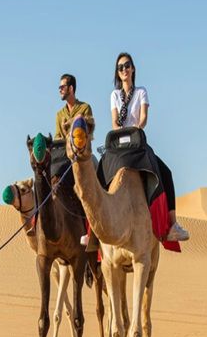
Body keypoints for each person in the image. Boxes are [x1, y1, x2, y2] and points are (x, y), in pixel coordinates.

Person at [111, 52, 190, 242]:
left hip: (138, 142)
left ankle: (172, 225)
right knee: (98, 173)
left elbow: (143, 118)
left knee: (166, 173)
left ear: (133, 68)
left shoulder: (141, 92)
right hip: (120, 144)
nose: (124, 70)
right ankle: (92, 231)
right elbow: (115, 122)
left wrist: (136, 129)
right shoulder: (114, 95)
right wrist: (123, 132)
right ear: (118, 72)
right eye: (120, 67)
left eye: (127, 65)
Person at [55, 73, 93, 139]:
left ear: (71, 88)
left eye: (62, 87)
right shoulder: (59, 114)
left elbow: (88, 133)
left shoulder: (85, 108)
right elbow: (57, 137)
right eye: (59, 87)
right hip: (64, 149)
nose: (60, 90)